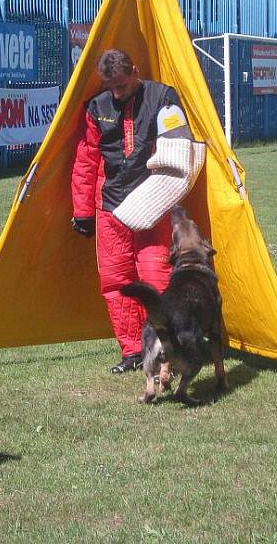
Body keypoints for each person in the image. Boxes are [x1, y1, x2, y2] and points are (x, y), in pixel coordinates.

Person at [70, 49, 204, 374]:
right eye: (111, 87)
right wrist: (83, 211)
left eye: (122, 85)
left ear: (135, 71)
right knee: (116, 280)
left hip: (151, 202)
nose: (116, 93)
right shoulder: (96, 108)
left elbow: (178, 148)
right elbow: (86, 160)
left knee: (156, 277)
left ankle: (166, 350)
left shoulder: (162, 97)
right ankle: (131, 351)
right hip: (111, 204)